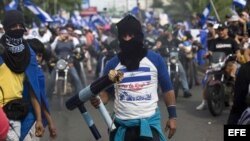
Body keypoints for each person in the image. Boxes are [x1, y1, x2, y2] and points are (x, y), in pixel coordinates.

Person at [90, 15, 177, 141]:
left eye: (131, 35)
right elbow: (106, 93)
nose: (127, 39)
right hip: (122, 128)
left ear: (138, 36)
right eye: (123, 36)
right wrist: (99, 100)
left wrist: (173, 117)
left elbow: (167, 89)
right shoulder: (114, 65)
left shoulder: (154, 60)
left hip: (149, 126)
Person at [0, 10, 46, 141]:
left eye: (21, 26)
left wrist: (38, 119)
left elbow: (33, 90)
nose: (18, 29)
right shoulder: (0, 51)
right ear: (5, 28)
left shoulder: (29, 54)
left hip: (18, 112)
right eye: (13, 26)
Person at [196, 23, 241, 110]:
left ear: (226, 30)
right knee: (207, 81)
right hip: (217, 64)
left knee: (233, 69)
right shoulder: (214, 41)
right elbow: (211, 51)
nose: (220, 32)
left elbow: (237, 51)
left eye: (222, 30)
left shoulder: (232, 41)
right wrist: (207, 54)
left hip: (229, 63)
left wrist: (238, 55)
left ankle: (235, 95)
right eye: (219, 30)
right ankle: (204, 102)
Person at [26, 38, 57, 139]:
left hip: (32, 120)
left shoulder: (38, 74)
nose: (37, 58)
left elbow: (41, 99)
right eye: (34, 54)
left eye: (40, 55)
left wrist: (49, 122)